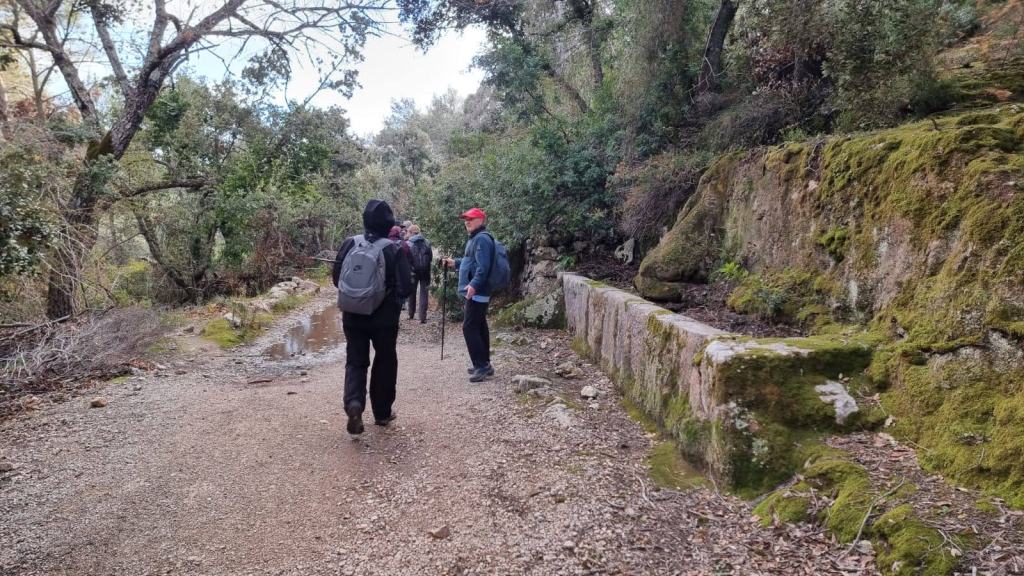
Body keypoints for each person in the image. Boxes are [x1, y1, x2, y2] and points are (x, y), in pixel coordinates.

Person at [332, 200, 413, 435]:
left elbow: (337, 279)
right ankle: (382, 413)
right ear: (388, 224)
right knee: (385, 360)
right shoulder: (393, 248)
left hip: (353, 315)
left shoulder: (350, 243)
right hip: (384, 318)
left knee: (355, 361)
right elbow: (406, 286)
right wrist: (391, 300)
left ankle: (354, 405)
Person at [443, 207, 496, 383]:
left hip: (477, 291)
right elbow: (470, 262)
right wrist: (455, 263)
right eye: (466, 219)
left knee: (469, 327)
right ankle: (484, 364)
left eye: (471, 219)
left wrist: (473, 285)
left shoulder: (481, 239)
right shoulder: (475, 239)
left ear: (480, 220)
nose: (467, 222)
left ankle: (481, 366)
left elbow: (483, 266)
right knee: (479, 326)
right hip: (477, 290)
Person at [406, 224, 432, 323]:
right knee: (424, 293)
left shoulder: (408, 243)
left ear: (412, 232)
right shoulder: (427, 242)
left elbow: (407, 258)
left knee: (412, 292)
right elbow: (430, 257)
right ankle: (423, 317)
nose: (407, 233)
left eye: (408, 231)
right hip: (425, 270)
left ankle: (411, 314)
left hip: (413, 270)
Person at [389, 225, 414, 314]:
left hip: (388, 273)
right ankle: (400, 307)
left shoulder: (385, 242)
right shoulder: (403, 244)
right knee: (400, 289)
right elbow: (410, 258)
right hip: (400, 272)